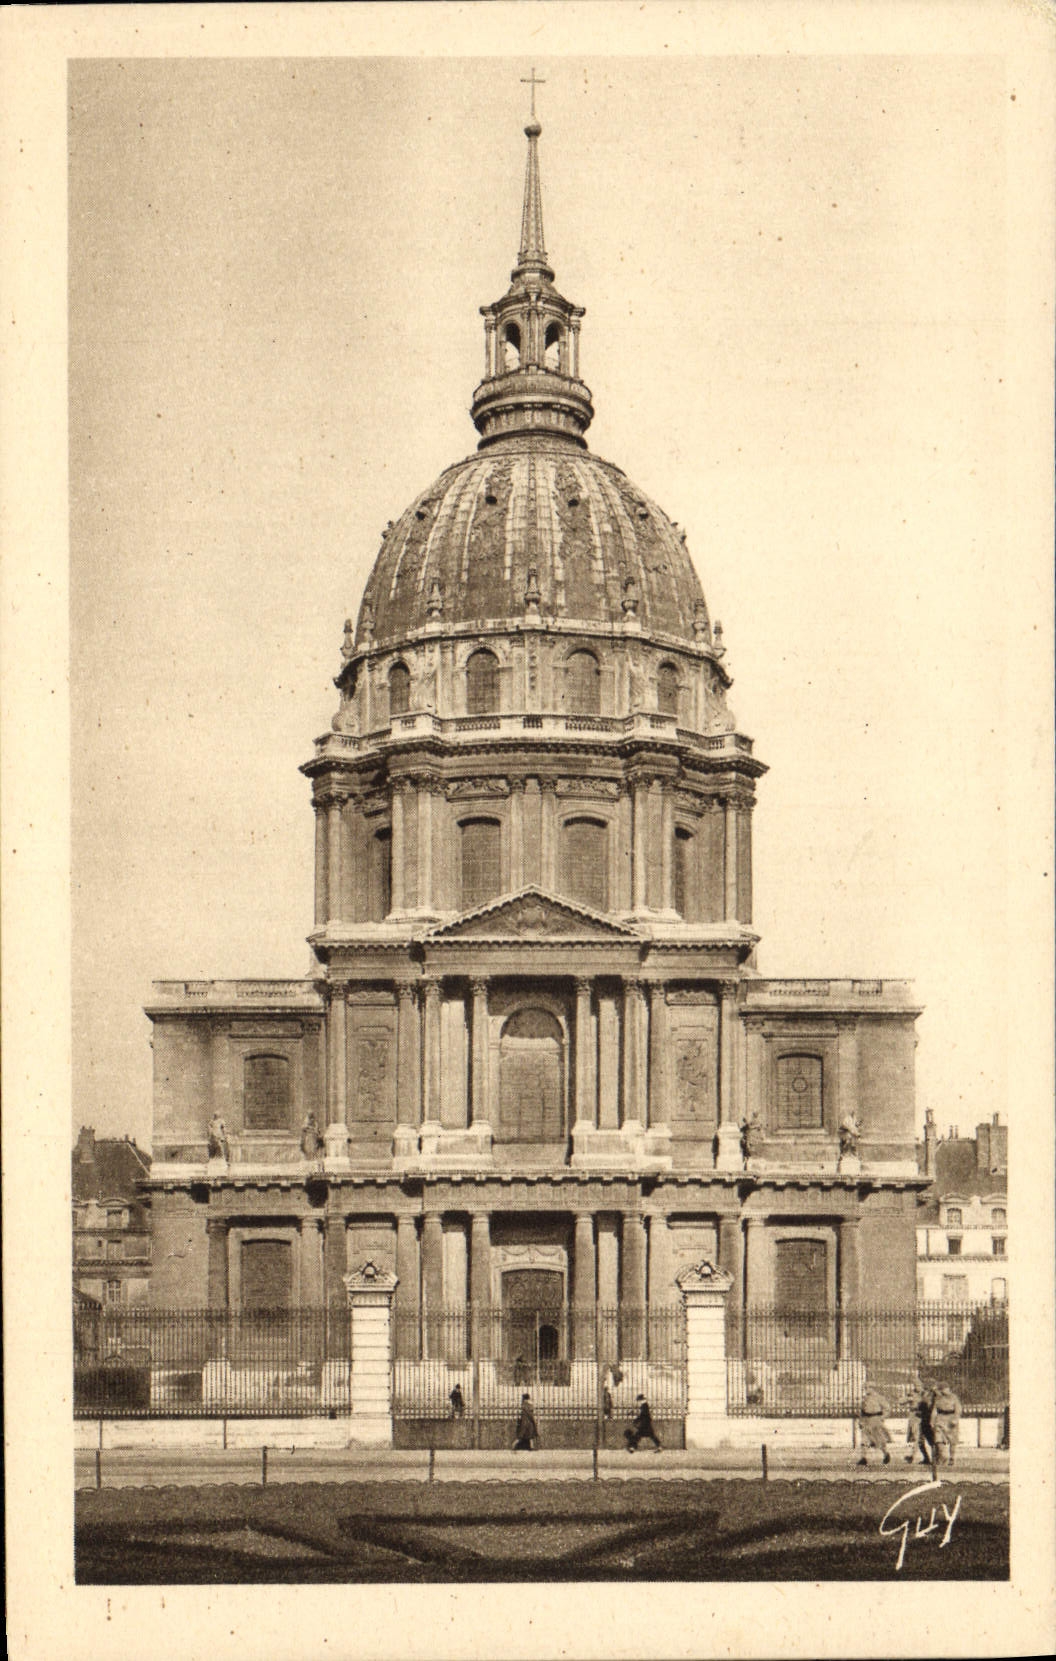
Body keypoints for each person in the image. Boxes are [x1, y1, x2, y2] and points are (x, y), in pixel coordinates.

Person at [856, 1381, 892, 1466]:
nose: (866, 1390)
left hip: (875, 1420)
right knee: (864, 1440)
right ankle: (863, 1458)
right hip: (866, 1420)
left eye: (868, 1388)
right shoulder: (865, 1399)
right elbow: (862, 1411)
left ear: (873, 1388)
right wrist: (861, 1421)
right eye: (865, 1388)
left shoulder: (879, 1398)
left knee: (879, 1440)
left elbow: (887, 1409)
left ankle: (886, 1454)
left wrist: (882, 1418)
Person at [930, 1381, 962, 1467]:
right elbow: (934, 1410)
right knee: (938, 1439)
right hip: (940, 1419)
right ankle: (943, 1456)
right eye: (941, 1390)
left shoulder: (954, 1397)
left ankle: (952, 1458)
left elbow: (958, 1409)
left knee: (952, 1441)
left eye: (944, 1389)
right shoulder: (938, 1398)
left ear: (948, 1389)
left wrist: (955, 1419)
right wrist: (932, 1421)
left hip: (951, 1419)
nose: (943, 1391)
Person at [904, 1376, 934, 1465]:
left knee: (922, 1439)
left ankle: (914, 1456)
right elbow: (901, 1401)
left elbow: (929, 1404)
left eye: (918, 1385)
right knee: (918, 1439)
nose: (917, 1387)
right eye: (915, 1385)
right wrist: (908, 1399)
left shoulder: (926, 1394)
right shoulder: (912, 1394)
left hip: (923, 1417)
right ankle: (925, 1458)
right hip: (914, 1417)